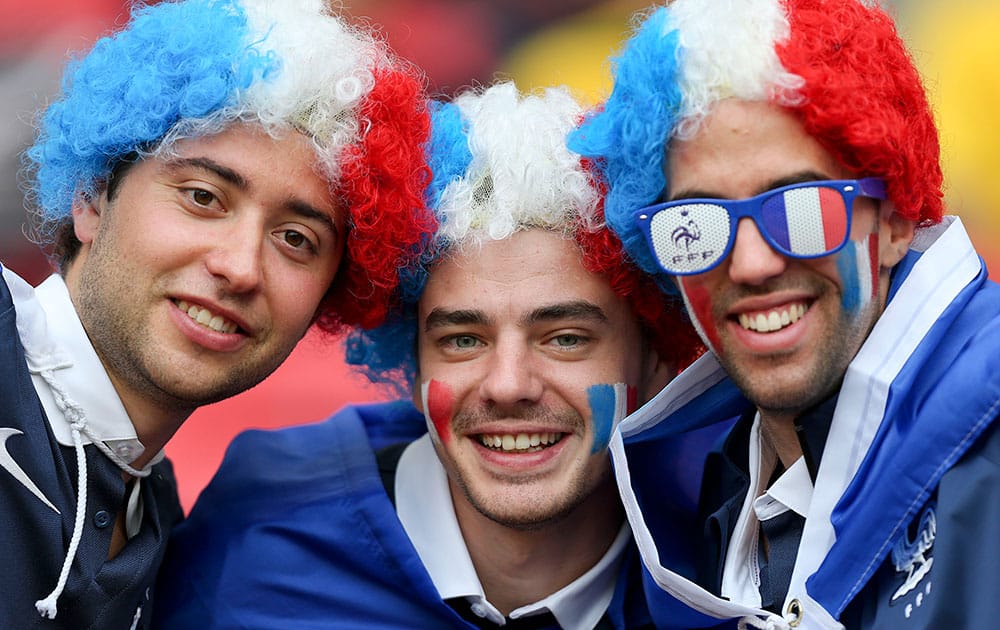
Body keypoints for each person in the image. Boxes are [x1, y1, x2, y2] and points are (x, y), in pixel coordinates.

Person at [153, 82, 704, 629]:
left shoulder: (723, 552)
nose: (508, 384)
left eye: (565, 338)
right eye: (463, 340)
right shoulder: (260, 534)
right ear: (414, 362)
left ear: (656, 358)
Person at [569, 0, 1000, 628]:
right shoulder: (706, 512)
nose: (750, 264)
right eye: (696, 222)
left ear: (897, 219)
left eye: (801, 206)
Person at [0, 0, 432, 626]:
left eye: (295, 239)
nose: (241, 267)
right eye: (203, 197)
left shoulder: (171, 523)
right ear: (90, 196)